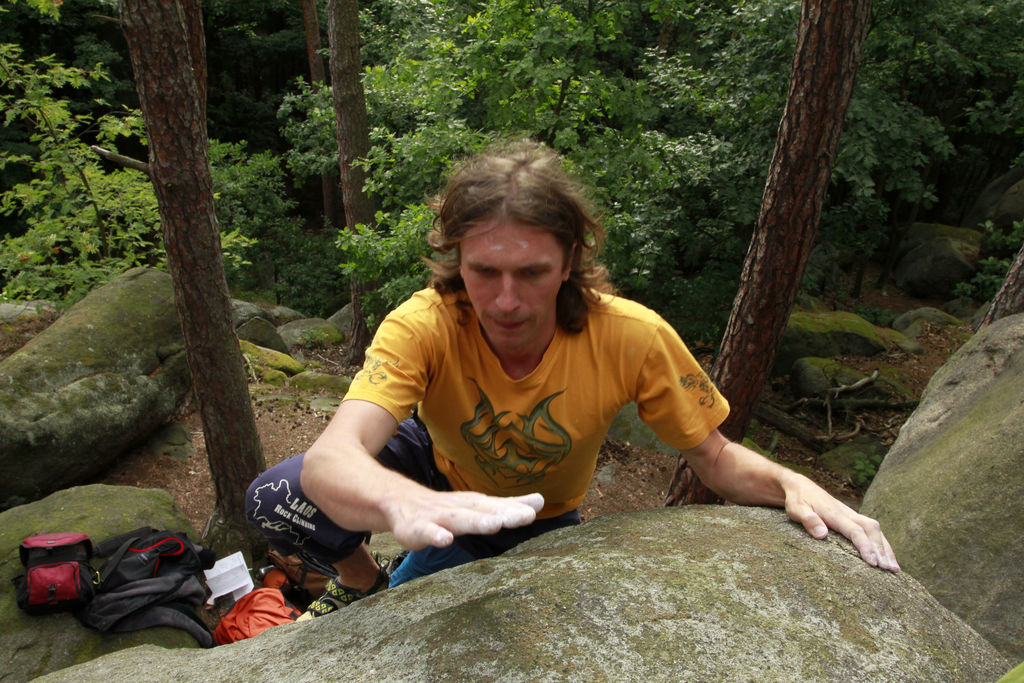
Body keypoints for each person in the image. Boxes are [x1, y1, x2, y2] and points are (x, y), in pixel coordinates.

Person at [246, 140, 899, 617]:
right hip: (439, 477)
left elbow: (715, 455)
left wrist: (790, 480)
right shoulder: (425, 322)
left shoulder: (630, 335)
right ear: (456, 261)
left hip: (543, 513)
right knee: (276, 494)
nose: (505, 301)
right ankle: (364, 581)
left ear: (569, 263)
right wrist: (404, 503)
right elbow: (332, 456)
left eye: (530, 272)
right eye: (483, 272)